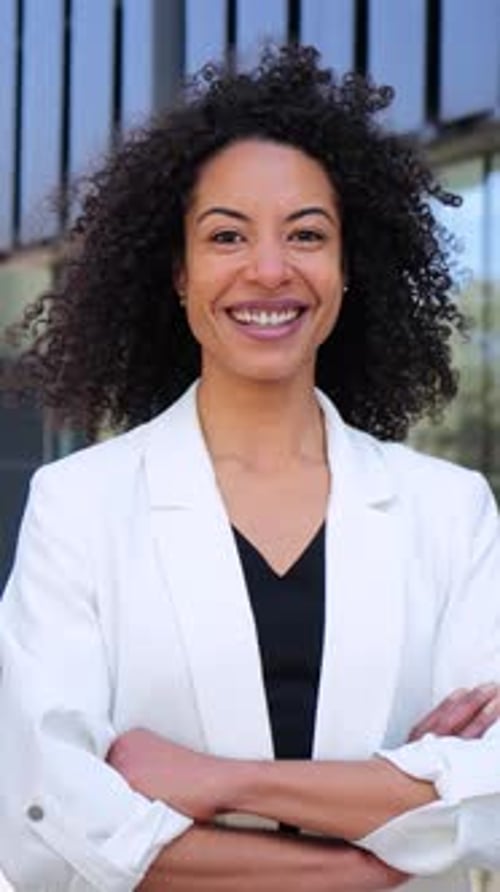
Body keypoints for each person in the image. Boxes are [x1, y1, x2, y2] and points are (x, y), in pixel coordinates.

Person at [1, 44, 499, 892]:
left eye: (307, 234)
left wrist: (218, 783)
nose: (269, 269)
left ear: (348, 270)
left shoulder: (450, 511)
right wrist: (369, 858)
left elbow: (492, 804)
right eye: (226, 235)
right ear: (179, 272)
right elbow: (37, 815)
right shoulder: (79, 505)